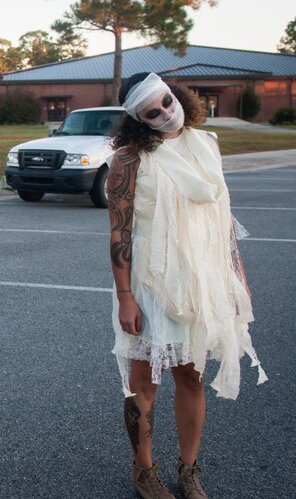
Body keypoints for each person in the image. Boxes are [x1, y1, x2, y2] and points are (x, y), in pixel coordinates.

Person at [107, 72, 267, 499]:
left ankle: (189, 469)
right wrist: (125, 297)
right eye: (151, 113)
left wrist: (237, 282)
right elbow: (120, 232)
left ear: (175, 95)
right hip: (150, 284)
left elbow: (222, 220)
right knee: (144, 383)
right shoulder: (128, 159)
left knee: (191, 377)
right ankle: (144, 471)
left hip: (201, 280)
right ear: (138, 120)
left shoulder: (206, 144)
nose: (163, 113)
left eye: (165, 102)